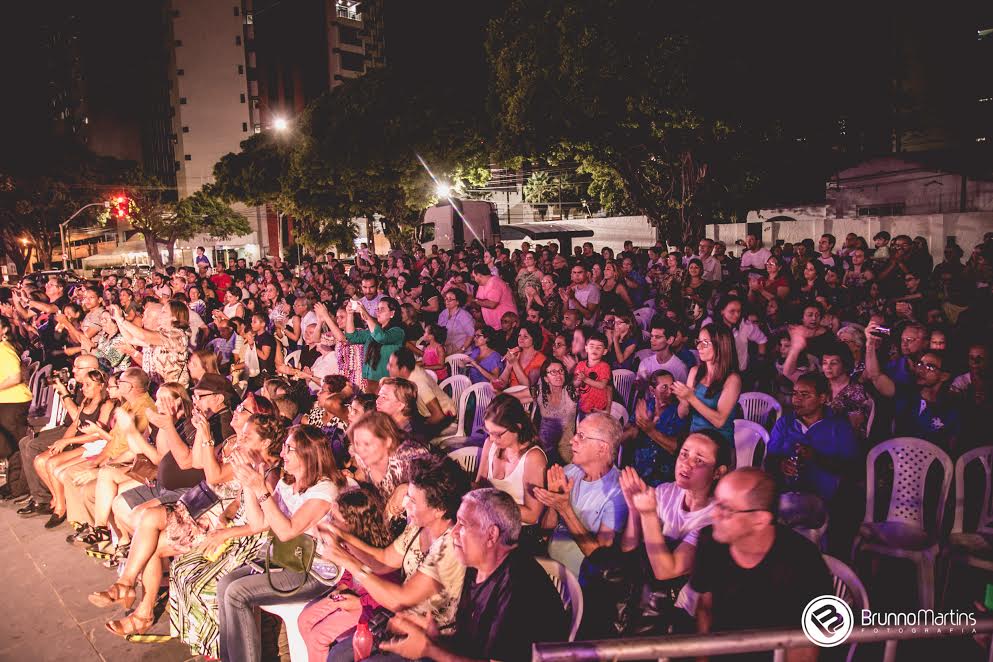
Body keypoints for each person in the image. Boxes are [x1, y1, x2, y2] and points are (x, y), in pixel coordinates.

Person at [374, 488, 569, 662]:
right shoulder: (476, 568)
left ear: (491, 535)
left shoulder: (520, 588)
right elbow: (473, 647)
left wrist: (430, 650)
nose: (453, 532)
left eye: (463, 524)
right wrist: (435, 637)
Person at [217, 425, 350, 660]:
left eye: (289, 449)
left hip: (314, 571)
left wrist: (261, 488)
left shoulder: (324, 490)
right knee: (225, 583)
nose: (282, 454)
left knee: (237, 593)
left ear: (308, 454)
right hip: (286, 558)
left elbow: (287, 532)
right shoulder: (288, 482)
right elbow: (258, 523)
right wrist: (248, 483)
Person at [320, 456, 470, 662]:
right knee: (336, 656)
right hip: (403, 624)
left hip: (431, 641)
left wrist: (347, 560)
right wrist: (343, 536)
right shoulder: (419, 526)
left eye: (413, 500)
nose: (405, 503)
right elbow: (383, 560)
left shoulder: (451, 545)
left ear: (439, 510)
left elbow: (401, 599)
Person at [689, 468, 832, 661]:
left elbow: (807, 645)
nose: (714, 514)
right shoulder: (710, 541)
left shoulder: (802, 561)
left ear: (760, 520)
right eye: (716, 502)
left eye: (727, 509)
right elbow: (705, 609)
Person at [611, 430, 731, 637]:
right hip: (645, 601)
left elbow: (666, 571)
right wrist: (634, 509)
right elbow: (628, 548)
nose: (686, 464)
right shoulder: (667, 492)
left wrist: (648, 514)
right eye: (684, 454)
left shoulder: (715, 517)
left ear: (718, 472)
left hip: (683, 614)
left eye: (699, 460)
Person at [297, 486, 394, 662]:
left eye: (334, 519)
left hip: (369, 607)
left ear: (352, 523)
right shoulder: (347, 545)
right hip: (350, 596)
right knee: (304, 620)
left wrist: (359, 602)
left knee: (319, 636)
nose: (330, 522)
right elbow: (348, 574)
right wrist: (342, 587)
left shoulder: (379, 551)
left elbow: (385, 592)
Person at [534, 412, 627, 576]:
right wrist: (554, 502)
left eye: (581, 436)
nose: (572, 440)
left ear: (602, 448)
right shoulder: (569, 472)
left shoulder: (617, 492)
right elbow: (545, 531)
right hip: (550, 568)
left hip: (579, 580)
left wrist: (565, 509)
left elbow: (600, 558)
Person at [766, 373, 859, 528]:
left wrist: (816, 457)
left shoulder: (838, 427)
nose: (797, 399)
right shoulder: (785, 423)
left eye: (804, 395)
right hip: (788, 497)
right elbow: (770, 460)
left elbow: (852, 468)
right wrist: (781, 464)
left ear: (822, 398)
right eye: (795, 394)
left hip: (827, 502)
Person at [864, 322, 961, 452]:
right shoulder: (905, 394)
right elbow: (875, 376)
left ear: (944, 376)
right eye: (920, 364)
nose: (921, 370)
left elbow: (953, 447)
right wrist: (870, 344)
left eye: (930, 367)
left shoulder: (952, 407)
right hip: (900, 458)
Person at [348, 411, 431, 532]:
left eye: (367, 443)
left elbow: (438, 487)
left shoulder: (408, 456)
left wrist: (406, 487)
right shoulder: (363, 459)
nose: (361, 450)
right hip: (394, 521)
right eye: (357, 444)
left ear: (387, 441)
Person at [475, 395, 548, 532]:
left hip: (519, 530)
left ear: (517, 427)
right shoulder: (490, 444)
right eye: (488, 432)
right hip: (490, 522)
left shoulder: (533, 458)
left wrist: (493, 504)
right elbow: (478, 485)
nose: (492, 439)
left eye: (498, 434)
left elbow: (532, 515)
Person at [673, 323, 741, 448]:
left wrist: (690, 397)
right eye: (698, 342)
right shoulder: (694, 372)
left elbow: (719, 421)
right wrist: (683, 401)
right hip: (695, 439)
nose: (699, 347)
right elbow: (682, 414)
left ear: (721, 345)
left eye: (705, 343)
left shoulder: (732, 379)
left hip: (719, 444)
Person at [625, 369, 690, 486]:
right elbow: (629, 431)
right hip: (639, 473)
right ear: (652, 390)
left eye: (671, 386)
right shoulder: (645, 405)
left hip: (664, 478)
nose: (669, 391)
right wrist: (636, 429)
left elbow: (676, 449)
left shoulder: (678, 410)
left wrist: (650, 430)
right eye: (664, 387)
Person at [0, 316, 38, 501]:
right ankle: (13, 484)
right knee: (8, 446)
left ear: (4, 330)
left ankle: (17, 487)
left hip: (13, 402)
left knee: (14, 445)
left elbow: (15, 376)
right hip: (6, 401)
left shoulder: (4, 349)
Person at [113, 300, 192, 386]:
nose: (160, 315)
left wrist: (121, 320)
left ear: (175, 317)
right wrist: (117, 318)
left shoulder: (177, 335)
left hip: (173, 389)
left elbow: (143, 335)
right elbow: (131, 338)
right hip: (157, 387)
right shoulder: (160, 335)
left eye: (164, 312)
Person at [387, 348, 456, 439]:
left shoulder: (419, 384)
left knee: (409, 436)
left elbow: (438, 416)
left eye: (391, 365)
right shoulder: (411, 370)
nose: (387, 367)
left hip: (445, 416)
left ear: (403, 369)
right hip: (429, 413)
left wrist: (422, 426)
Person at [637, 316, 689, 383]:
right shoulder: (645, 363)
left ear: (670, 340)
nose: (652, 340)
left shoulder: (680, 368)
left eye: (657, 337)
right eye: (652, 336)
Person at [573, 331, 613, 415]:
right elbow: (575, 384)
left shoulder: (604, 366)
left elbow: (602, 385)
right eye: (591, 346)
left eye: (598, 348)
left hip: (598, 409)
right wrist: (577, 381)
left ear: (604, 351)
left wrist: (585, 379)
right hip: (583, 405)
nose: (594, 349)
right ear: (586, 348)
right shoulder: (580, 365)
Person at [471, 263, 517, 331]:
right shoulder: (482, 284)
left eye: (474, 276)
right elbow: (480, 301)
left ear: (479, 275)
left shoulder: (494, 282)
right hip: (494, 326)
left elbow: (492, 304)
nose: (474, 279)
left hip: (505, 325)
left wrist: (475, 300)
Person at [437, 288, 474, 355]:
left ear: (458, 302)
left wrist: (461, 350)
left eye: (450, 299)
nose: (447, 301)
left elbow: (470, 336)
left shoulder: (465, 316)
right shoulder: (443, 314)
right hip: (446, 349)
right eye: (446, 298)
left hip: (461, 352)